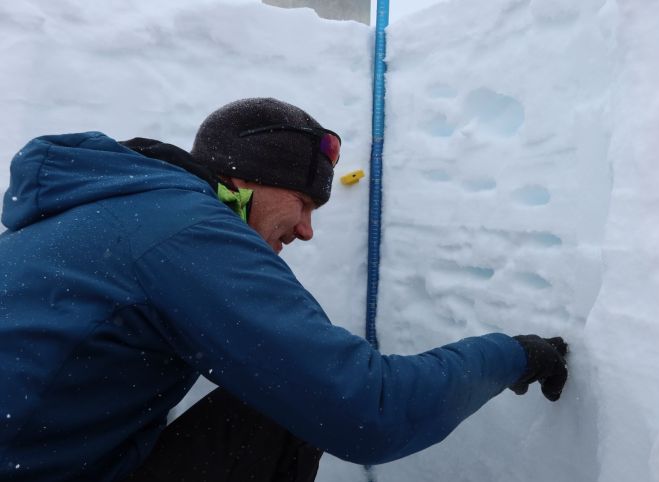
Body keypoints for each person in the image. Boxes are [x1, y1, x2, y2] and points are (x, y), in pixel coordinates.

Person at [0, 98, 568, 481]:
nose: (306, 229)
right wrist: (515, 354)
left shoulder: (104, 209)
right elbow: (372, 411)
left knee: (282, 388)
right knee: (295, 407)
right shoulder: (188, 231)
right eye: (303, 202)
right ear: (244, 181)